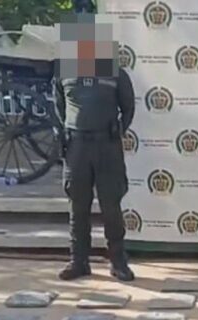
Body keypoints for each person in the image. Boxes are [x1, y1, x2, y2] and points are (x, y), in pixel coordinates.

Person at [54, 16, 136, 282]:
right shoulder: (64, 72)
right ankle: (78, 262)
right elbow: (59, 107)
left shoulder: (115, 73)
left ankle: (118, 262)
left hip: (106, 146)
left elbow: (128, 107)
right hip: (76, 146)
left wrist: (117, 131)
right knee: (78, 207)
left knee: (111, 206)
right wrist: (69, 130)